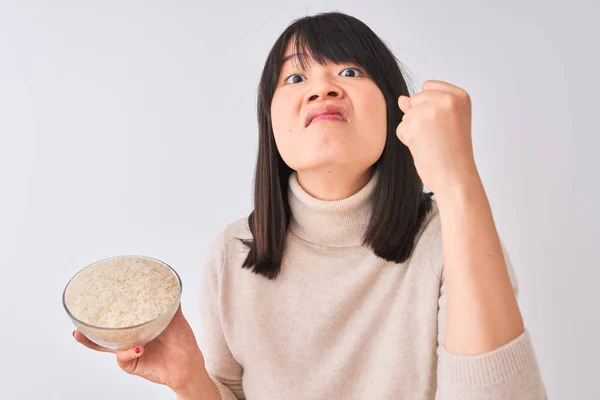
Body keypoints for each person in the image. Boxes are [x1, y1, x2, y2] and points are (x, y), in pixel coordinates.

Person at [73, 11, 547, 399]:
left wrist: (458, 180)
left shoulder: (452, 239)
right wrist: (189, 379)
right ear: (271, 123)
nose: (323, 88)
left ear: (393, 106)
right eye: (296, 76)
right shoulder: (233, 253)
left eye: (350, 71)